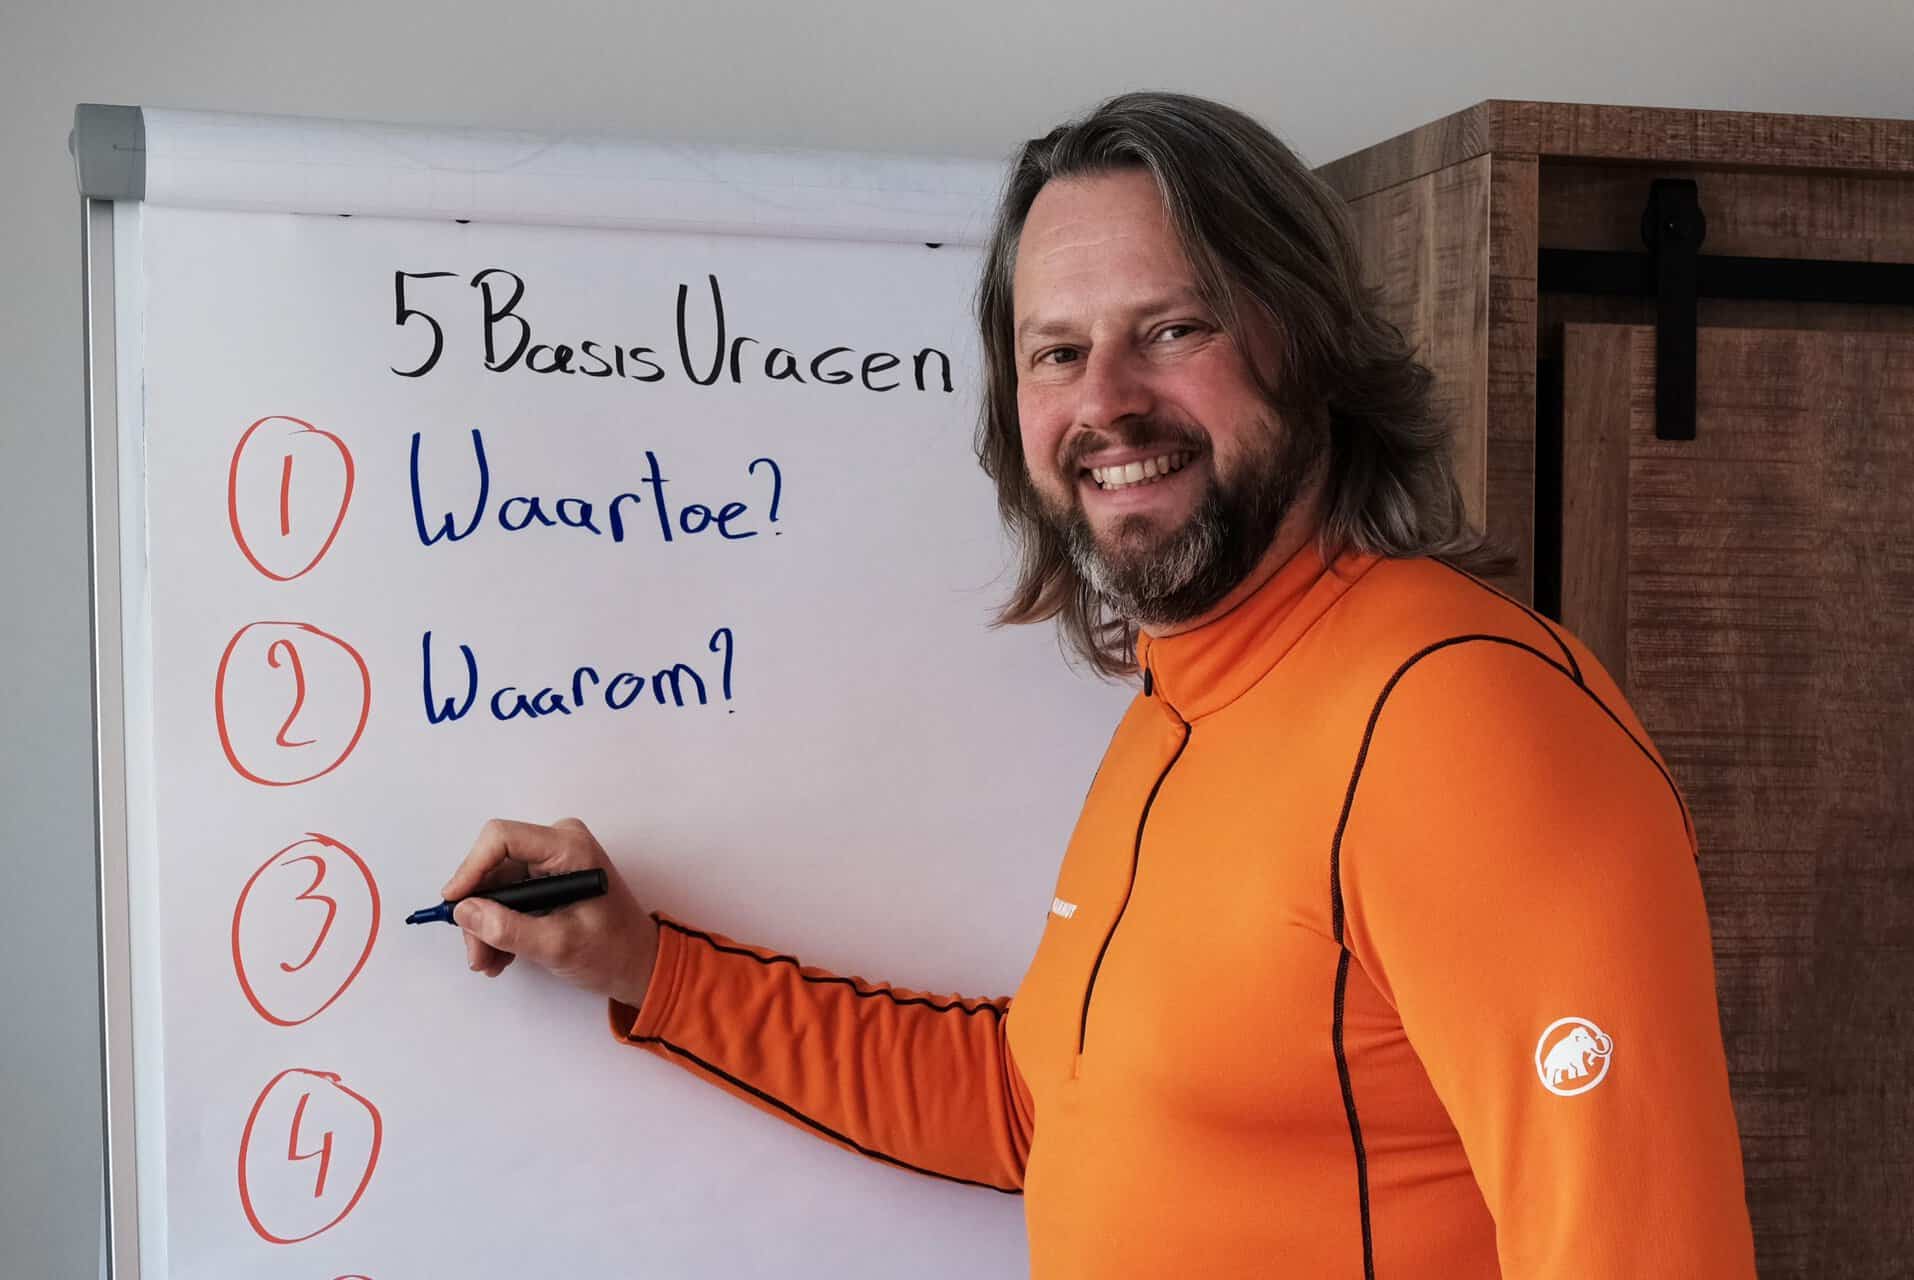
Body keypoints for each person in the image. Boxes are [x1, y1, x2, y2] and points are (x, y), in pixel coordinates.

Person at [439, 92, 1757, 1278]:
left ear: (1305, 342)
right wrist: (645, 965)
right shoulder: (1180, 711)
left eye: (1171, 328)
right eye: (1055, 352)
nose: (1106, 402)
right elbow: (1042, 1110)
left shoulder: (1461, 718)